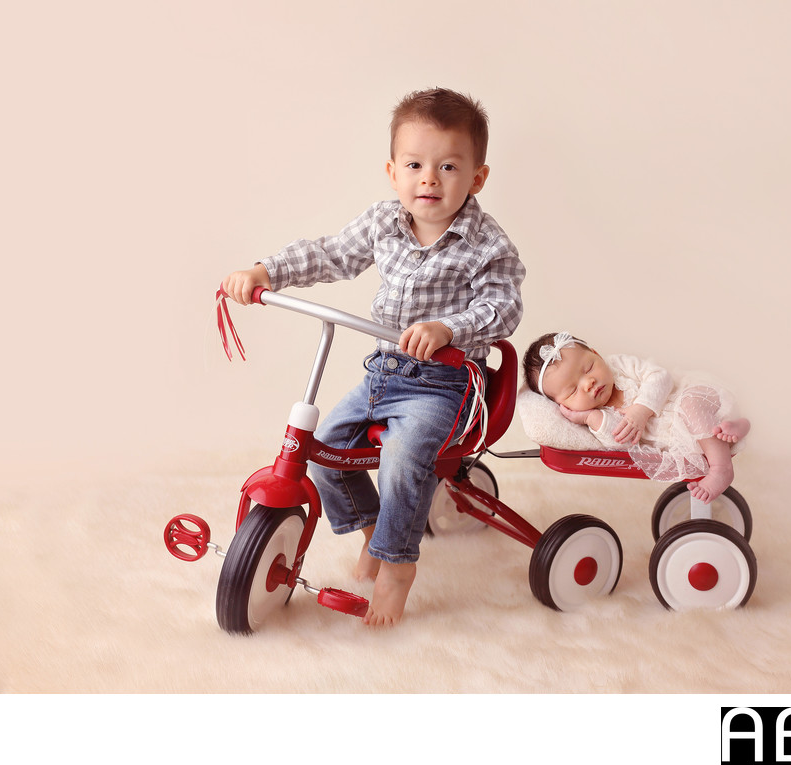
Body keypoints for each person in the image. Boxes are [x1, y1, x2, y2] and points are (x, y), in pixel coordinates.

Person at [223, 89, 525, 626]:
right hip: (385, 372)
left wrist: (447, 328)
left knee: (404, 459)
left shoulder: (487, 244)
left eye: (448, 166)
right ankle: (374, 532)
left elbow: (503, 307)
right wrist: (265, 272)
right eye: (415, 165)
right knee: (326, 448)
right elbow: (332, 253)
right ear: (393, 172)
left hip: (447, 383)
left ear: (477, 178)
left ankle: (397, 566)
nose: (429, 179)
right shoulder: (384, 222)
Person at [523, 332, 749, 503]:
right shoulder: (599, 417)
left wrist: (642, 409)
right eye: (573, 391)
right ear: (564, 406)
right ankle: (733, 427)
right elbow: (616, 440)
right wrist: (588, 418)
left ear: (597, 354)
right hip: (678, 434)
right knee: (703, 429)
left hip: (689, 397)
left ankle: (721, 468)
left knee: (691, 405)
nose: (588, 382)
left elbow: (660, 376)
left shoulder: (619, 365)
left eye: (589, 367)